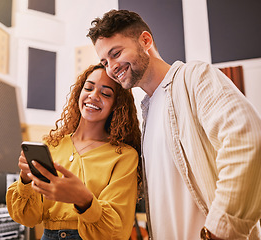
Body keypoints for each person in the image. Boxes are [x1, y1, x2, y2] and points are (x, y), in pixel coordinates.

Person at [87, 9, 261, 240]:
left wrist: (220, 231)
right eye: (104, 61)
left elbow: (247, 140)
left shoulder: (195, 77)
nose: (111, 67)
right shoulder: (147, 112)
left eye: (116, 53)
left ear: (145, 40)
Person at [6, 63, 142, 240]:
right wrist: (25, 178)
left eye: (106, 93)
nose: (94, 96)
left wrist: (84, 200)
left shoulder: (123, 156)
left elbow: (115, 231)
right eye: (89, 88)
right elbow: (28, 218)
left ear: (117, 105)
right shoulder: (51, 144)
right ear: (79, 92)